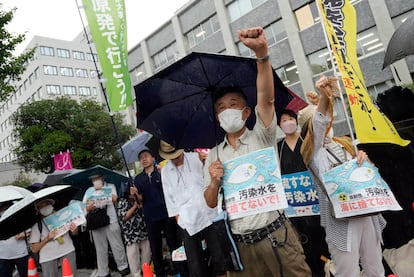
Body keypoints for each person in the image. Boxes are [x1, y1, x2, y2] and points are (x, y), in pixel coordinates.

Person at [203, 26, 311, 277]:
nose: (226, 110)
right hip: (241, 247)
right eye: (220, 108)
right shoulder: (213, 155)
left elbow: (266, 98)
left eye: (233, 105)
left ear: (246, 112)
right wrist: (214, 183)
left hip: (277, 237)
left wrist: (262, 55)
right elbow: (209, 203)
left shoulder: (262, 135)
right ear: (217, 117)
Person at [299, 74, 386, 277]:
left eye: (329, 116)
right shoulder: (312, 152)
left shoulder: (344, 143)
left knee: (375, 268)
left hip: (366, 212)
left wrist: (364, 162)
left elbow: (366, 175)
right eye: (321, 118)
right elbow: (319, 125)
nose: (327, 121)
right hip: (341, 220)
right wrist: (324, 97)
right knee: (348, 272)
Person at [159, 140, 226, 277]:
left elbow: (210, 181)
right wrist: (179, 219)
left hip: (208, 213)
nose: (176, 159)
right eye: (172, 157)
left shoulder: (196, 158)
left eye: (177, 155)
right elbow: (169, 198)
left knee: (220, 257)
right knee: (195, 264)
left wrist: (205, 163)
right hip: (187, 221)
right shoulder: (165, 171)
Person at [277, 108, 330, 276]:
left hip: (315, 202)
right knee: (302, 245)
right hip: (294, 208)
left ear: (296, 121)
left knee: (322, 239)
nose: (288, 123)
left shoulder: (307, 141)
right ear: (279, 125)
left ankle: (329, 269)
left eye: (291, 118)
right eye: (283, 120)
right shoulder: (278, 148)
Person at [133, 148, 183, 277]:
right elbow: (140, 201)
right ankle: (160, 273)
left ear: (153, 158)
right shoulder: (138, 179)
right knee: (155, 248)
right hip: (150, 216)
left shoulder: (162, 172)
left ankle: (179, 271)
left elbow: (172, 189)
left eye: (146, 156)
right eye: (141, 158)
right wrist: (135, 194)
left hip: (167, 214)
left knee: (173, 244)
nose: (143, 159)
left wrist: (163, 175)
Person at [83, 173, 130, 277]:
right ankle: (103, 271)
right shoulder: (89, 190)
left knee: (117, 245)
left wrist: (102, 190)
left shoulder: (110, 186)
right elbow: (84, 206)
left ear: (102, 178)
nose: (95, 180)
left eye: (97, 178)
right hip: (96, 223)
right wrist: (88, 208)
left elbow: (114, 198)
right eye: (93, 179)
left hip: (111, 220)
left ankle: (123, 267)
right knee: (100, 249)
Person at [29, 199, 78, 277]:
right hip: (47, 257)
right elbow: (34, 249)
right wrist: (47, 238)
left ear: (52, 205)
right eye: (41, 206)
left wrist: (74, 229)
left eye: (47, 204)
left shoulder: (63, 216)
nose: (45, 207)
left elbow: (74, 233)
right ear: (38, 210)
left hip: (67, 250)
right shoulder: (37, 225)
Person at [117, 183, 151, 277]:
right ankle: (136, 274)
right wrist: (135, 206)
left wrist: (139, 202)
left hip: (143, 231)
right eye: (131, 190)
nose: (133, 192)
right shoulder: (123, 201)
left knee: (147, 253)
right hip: (130, 234)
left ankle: (146, 272)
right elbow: (124, 217)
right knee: (133, 257)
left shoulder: (139, 198)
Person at [0, 202, 29, 277]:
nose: (4, 211)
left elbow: (29, 232)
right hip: (3, 256)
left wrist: (21, 235)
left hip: (21, 254)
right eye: (2, 209)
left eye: (7, 208)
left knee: (26, 274)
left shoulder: (19, 218)